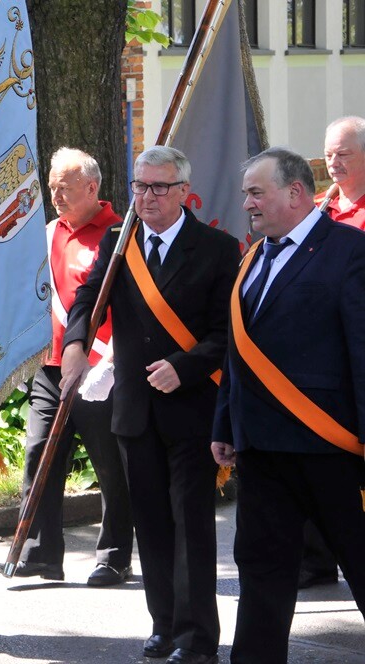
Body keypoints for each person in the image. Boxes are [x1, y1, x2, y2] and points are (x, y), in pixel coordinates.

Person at [62, 146, 239, 664]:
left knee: (192, 527)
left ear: (183, 191)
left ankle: (196, 637)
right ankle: (163, 626)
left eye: (159, 187)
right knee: (153, 526)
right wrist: (75, 343)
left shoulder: (216, 248)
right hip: (135, 412)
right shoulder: (121, 242)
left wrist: (183, 367)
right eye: (140, 186)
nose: (147, 197)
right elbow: (86, 298)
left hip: (192, 410)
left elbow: (225, 332)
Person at [210, 147, 365, 664]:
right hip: (262, 450)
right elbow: (239, 353)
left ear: (295, 192)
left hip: (331, 450)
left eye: (257, 192)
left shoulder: (349, 251)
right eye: (246, 194)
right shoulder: (252, 257)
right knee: (261, 572)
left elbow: (363, 353)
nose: (247, 203)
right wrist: (225, 422)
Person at [0, 148, 134, 586]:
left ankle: (114, 556)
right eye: (51, 186)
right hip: (51, 368)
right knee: (39, 456)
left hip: (100, 369)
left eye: (64, 188)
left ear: (91, 188)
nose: (55, 195)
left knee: (110, 465)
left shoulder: (120, 234)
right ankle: (40, 553)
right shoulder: (48, 233)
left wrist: (107, 362)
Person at [295, 116, 365, 590]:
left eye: (344, 154)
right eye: (329, 154)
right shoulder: (318, 211)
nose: (333, 163)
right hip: (321, 352)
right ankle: (315, 559)